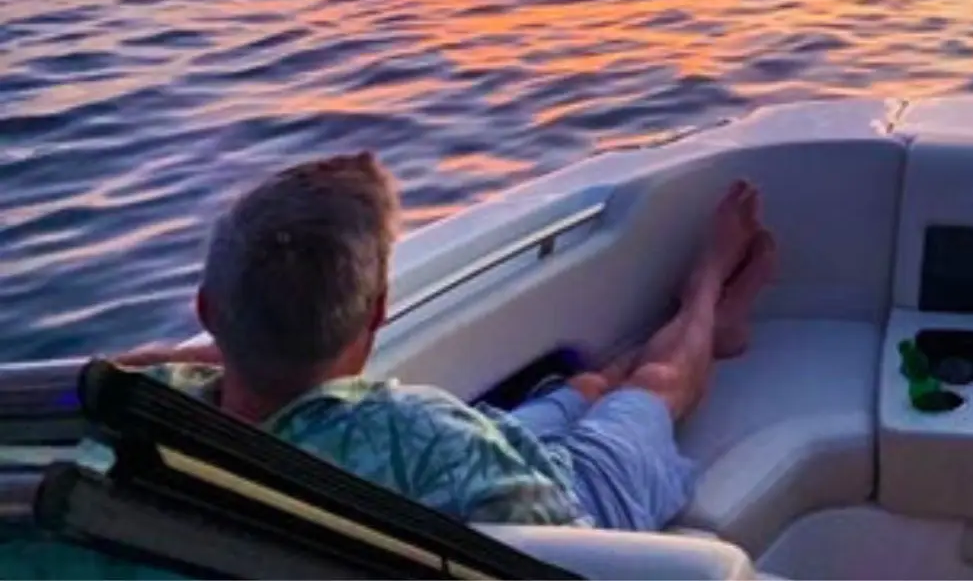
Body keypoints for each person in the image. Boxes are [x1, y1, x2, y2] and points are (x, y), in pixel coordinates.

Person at [114, 153, 779, 531]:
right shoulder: (420, 433)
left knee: (587, 386)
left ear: (208, 312)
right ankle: (705, 294)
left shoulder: (135, 421)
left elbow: (110, 370)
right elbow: (561, 525)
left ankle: (652, 357)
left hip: (480, 466)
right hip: (554, 498)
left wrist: (239, 347)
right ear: (379, 313)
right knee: (656, 389)